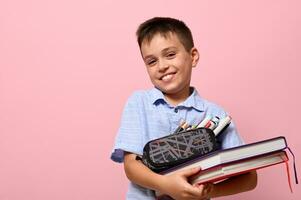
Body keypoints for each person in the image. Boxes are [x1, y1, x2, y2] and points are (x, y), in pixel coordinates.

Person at [111, 17, 257, 200]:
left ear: (193, 56)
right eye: (151, 61)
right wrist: (167, 185)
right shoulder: (139, 102)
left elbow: (249, 177)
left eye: (170, 54)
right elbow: (131, 166)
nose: (162, 66)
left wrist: (211, 191)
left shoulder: (215, 114)